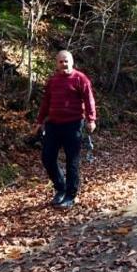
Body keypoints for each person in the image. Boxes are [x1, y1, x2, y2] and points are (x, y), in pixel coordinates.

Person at [29, 50, 97, 208]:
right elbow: (46, 102)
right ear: (56, 64)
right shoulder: (52, 81)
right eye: (61, 61)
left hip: (73, 124)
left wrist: (91, 119)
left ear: (72, 62)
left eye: (66, 61)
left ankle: (71, 195)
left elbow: (89, 99)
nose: (64, 64)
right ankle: (60, 188)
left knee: (71, 161)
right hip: (53, 124)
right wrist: (39, 122)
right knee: (47, 157)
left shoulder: (80, 79)